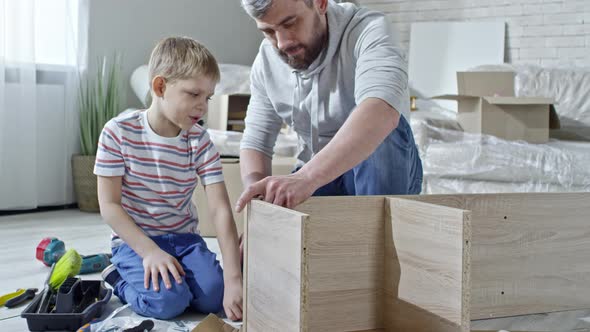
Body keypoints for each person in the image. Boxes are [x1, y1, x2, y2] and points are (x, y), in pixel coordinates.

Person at [95, 37, 242, 321]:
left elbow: (220, 209)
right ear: (160, 87)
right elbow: (109, 206)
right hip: (136, 241)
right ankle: (117, 277)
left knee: (214, 297)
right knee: (168, 304)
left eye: (208, 97)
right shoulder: (118, 133)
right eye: (193, 94)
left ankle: (179, 279)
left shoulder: (200, 141)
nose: (203, 107)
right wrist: (149, 251)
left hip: (184, 239)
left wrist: (234, 278)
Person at [235, 0, 423, 213]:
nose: (282, 43)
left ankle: (377, 240)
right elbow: (256, 142)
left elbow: (381, 112)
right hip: (315, 172)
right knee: (282, 225)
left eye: (290, 23)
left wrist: (306, 177)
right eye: (269, 31)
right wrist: (259, 205)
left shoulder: (369, 30)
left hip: (380, 169)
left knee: (380, 130)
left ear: (320, 4)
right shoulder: (266, 60)